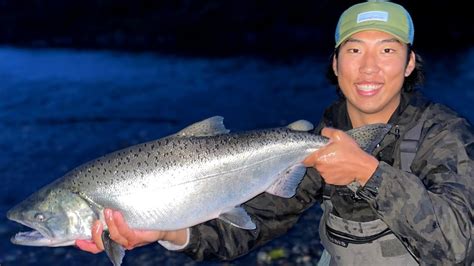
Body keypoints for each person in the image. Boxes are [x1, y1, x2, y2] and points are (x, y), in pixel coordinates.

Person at [76, 1, 474, 264]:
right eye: (354, 51)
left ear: (409, 64)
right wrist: (167, 229)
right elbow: (257, 222)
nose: (369, 67)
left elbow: (458, 247)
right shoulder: (322, 135)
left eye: (387, 51)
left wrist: (369, 174)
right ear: (335, 64)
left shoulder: (445, 134)